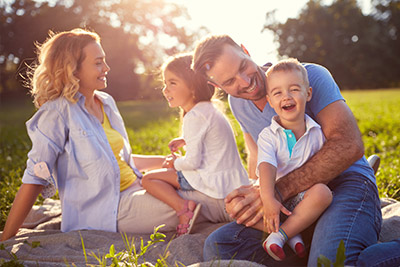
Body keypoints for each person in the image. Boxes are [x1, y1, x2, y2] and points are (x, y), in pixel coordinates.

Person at [0, 30, 242, 242]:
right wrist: (7, 236)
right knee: (199, 201)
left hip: (136, 187)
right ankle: (249, 209)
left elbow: (121, 161)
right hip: (109, 208)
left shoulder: (105, 102)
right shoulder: (56, 113)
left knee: (198, 187)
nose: (106, 68)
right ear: (73, 69)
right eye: (98, 63)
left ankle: (250, 204)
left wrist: (169, 163)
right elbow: (35, 177)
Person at [192, 34, 382, 266]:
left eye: (243, 66)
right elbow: (258, 155)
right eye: (229, 82)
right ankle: (316, 241)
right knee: (221, 246)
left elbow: (348, 145)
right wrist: (252, 197)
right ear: (216, 86)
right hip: (295, 202)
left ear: (246, 50)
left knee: (328, 262)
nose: (244, 82)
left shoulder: (308, 76)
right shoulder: (238, 102)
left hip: (345, 182)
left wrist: (275, 192)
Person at [141, 54, 249, 237]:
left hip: (213, 184)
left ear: (192, 86)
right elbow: (209, 138)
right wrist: (185, 139)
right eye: (165, 84)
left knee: (148, 179)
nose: (165, 90)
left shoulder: (194, 116)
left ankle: (183, 208)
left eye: (172, 83)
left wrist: (173, 163)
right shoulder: (209, 109)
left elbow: (192, 163)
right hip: (232, 181)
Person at [256, 58, 332, 261]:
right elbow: (266, 166)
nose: (286, 97)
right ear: (270, 101)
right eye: (277, 92)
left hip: (301, 199)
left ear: (308, 94)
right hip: (273, 196)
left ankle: (279, 236)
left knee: (323, 193)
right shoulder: (268, 135)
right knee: (242, 206)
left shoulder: (317, 132)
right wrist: (268, 198)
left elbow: (322, 168)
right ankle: (292, 233)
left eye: (294, 89)